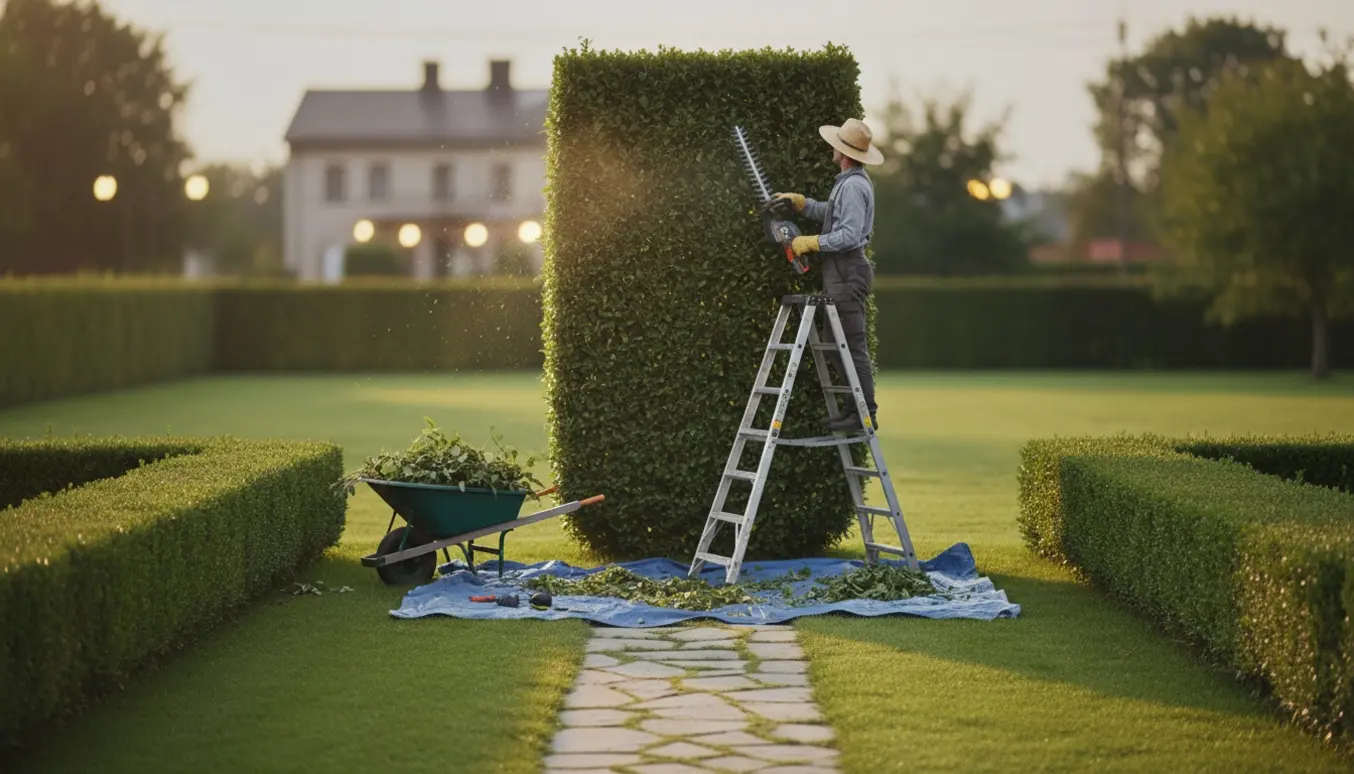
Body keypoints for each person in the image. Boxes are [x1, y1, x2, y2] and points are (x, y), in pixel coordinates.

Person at [771, 117, 885, 432]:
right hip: (841, 271)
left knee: (852, 345)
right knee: (837, 345)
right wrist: (802, 205)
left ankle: (865, 413)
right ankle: (854, 410)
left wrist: (812, 243)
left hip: (848, 270)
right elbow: (831, 215)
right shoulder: (848, 182)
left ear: (842, 150)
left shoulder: (853, 186)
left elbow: (847, 234)